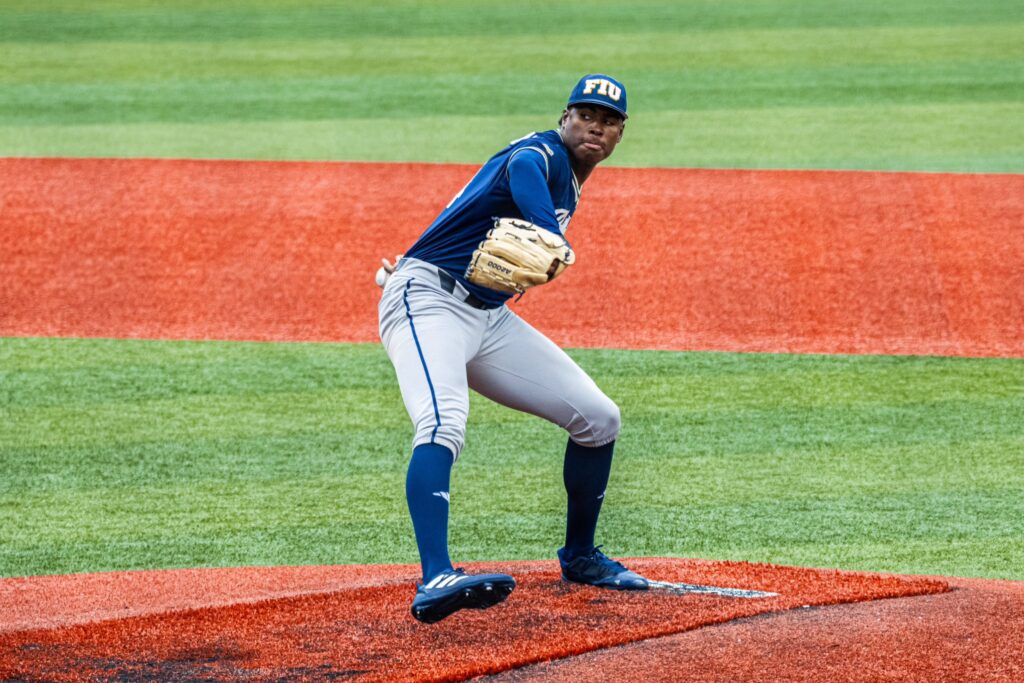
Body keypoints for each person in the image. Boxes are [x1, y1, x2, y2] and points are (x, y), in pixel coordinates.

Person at [376, 74, 648, 624]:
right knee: (441, 422)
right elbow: (523, 168)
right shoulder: (540, 154)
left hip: (489, 317)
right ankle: (436, 577)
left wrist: (548, 231)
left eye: (608, 121)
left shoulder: (572, 175)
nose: (595, 127)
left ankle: (580, 557)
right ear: (565, 118)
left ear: (621, 133)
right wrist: (550, 232)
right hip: (428, 301)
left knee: (598, 418)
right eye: (585, 116)